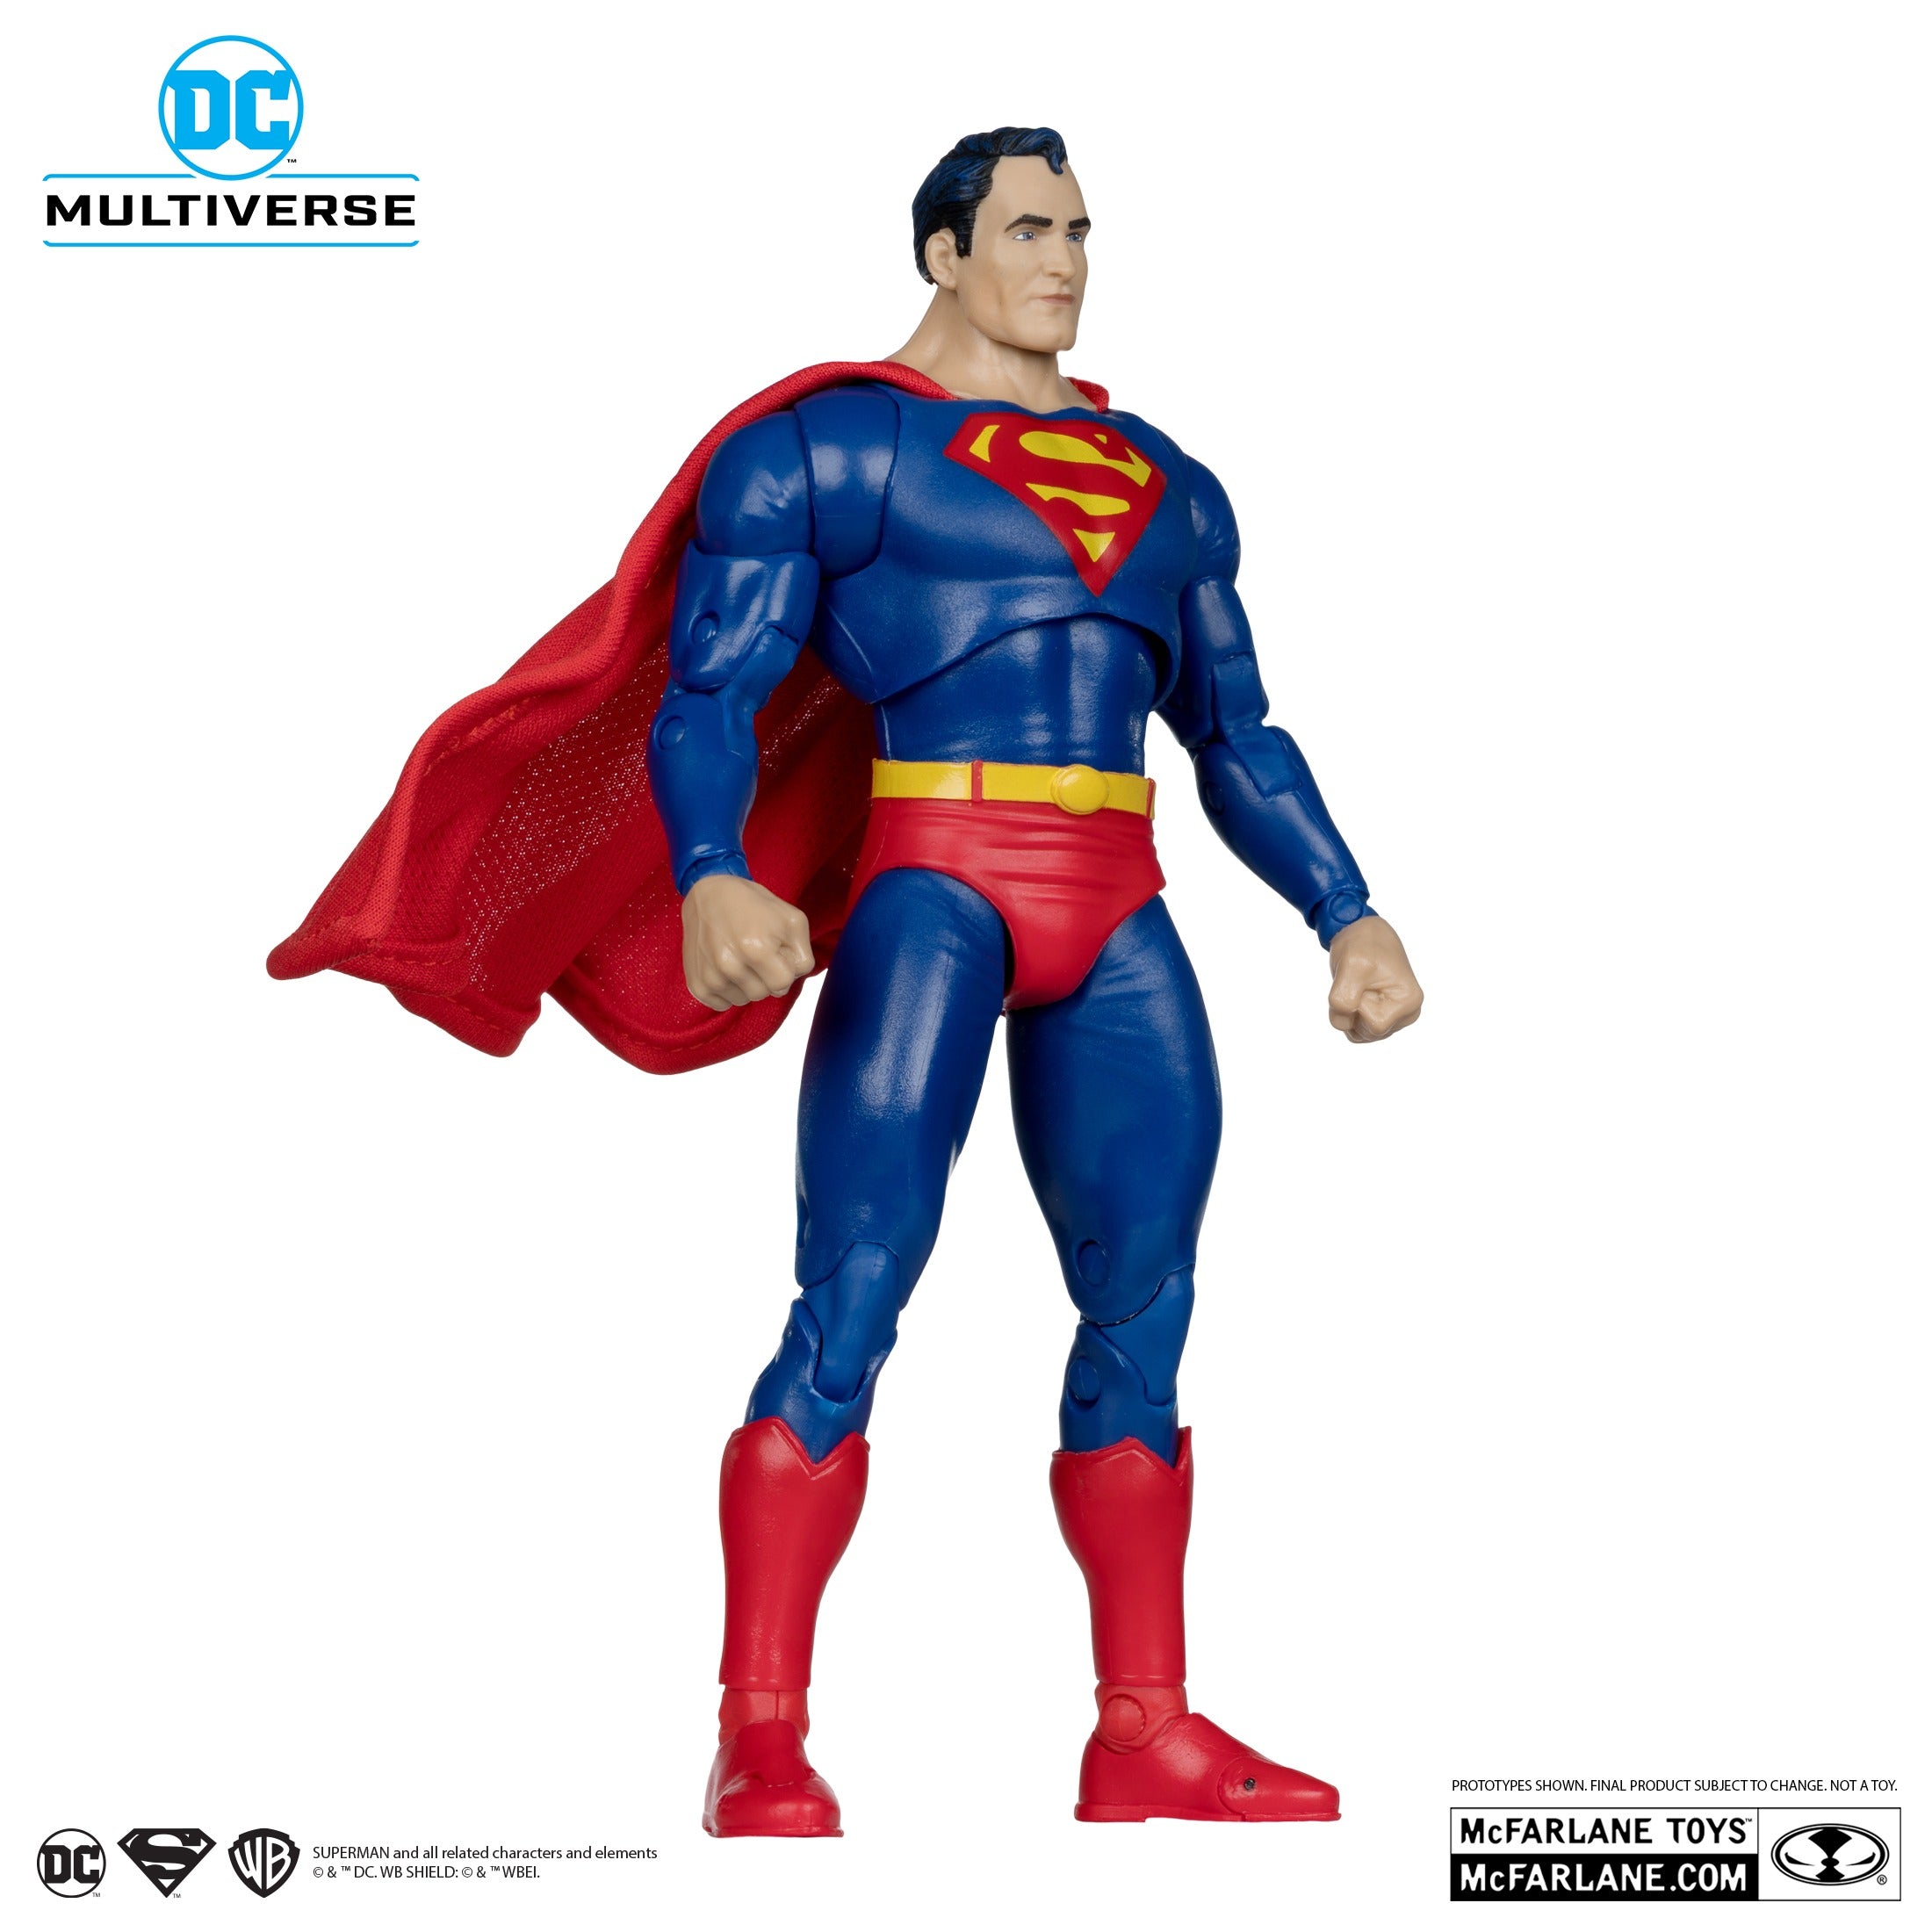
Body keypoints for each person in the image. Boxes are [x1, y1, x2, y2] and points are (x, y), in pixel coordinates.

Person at [645, 126, 1424, 1835]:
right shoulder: (831, 449)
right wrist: (711, 867)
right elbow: (708, 691)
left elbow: (1234, 734)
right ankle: (757, 1730)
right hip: (934, 879)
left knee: (1146, 1306)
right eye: (1024, 228)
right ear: (942, 251)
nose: (1062, 260)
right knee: (854, 1293)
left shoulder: (1168, 484)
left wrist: (1345, 908)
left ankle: (1139, 1730)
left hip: (1115, 897)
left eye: (1078, 229)